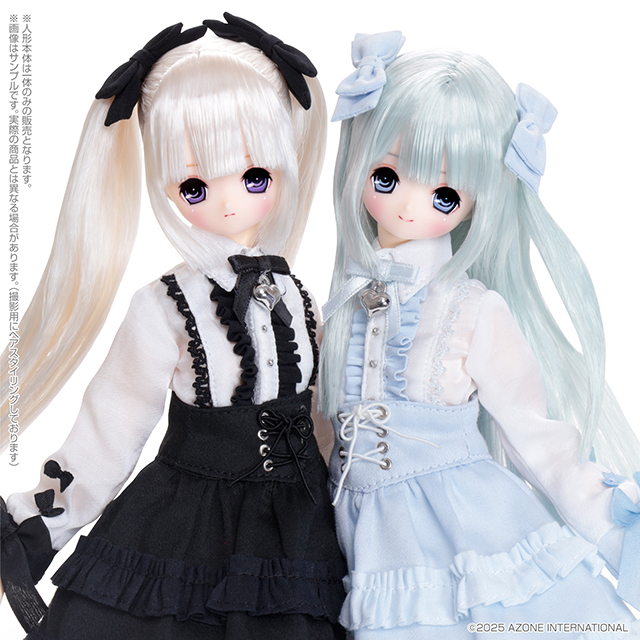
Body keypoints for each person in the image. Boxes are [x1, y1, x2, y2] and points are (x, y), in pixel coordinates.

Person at [2, 14, 346, 640]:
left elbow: (323, 422)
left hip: (299, 532)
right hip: (187, 526)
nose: (229, 200)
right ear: (167, 188)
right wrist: (37, 522)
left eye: (254, 176)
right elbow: (112, 426)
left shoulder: (298, 295)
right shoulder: (164, 305)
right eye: (194, 185)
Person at [319, 31, 640, 638]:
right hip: (366, 543)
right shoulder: (338, 307)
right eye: (386, 176)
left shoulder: (470, 310)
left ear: (476, 201)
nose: (409, 206)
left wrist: (613, 530)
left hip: (469, 529)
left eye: (443, 194)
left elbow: (536, 440)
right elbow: (322, 436)